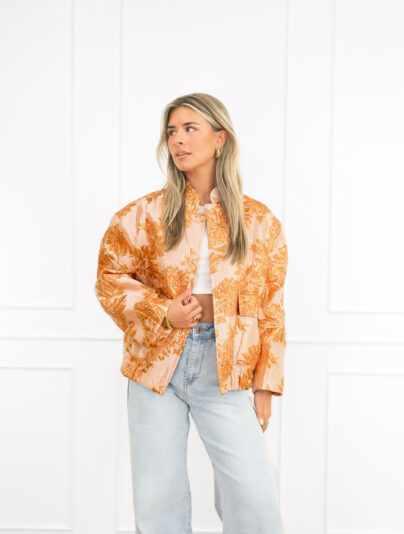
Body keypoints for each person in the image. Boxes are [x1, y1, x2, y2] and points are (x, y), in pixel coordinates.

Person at [94, 93, 288, 533]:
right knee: (157, 497)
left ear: (220, 139)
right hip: (154, 364)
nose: (178, 140)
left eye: (189, 129)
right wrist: (164, 311)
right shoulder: (142, 215)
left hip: (227, 366)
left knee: (254, 496)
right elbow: (109, 279)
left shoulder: (259, 222)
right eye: (171, 132)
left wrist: (265, 385)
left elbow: (271, 306)